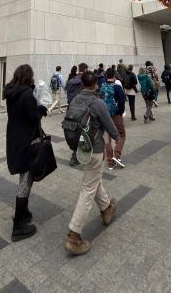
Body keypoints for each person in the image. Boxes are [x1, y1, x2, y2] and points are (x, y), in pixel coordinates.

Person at [65, 71, 119, 255]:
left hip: (81, 149)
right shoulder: (97, 103)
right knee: (88, 189)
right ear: (95, 84)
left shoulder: (75, 99)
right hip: (95, 150)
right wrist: (118, 138)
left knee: (93, 181)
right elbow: (111, 128)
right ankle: (74, 236)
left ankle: (106, 209)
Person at [5, 65, 48, 242]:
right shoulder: (26, 96)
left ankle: (24, 213)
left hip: (14, 138)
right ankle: (18, 225)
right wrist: (42, 109)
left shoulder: (11, 93)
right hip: (27, 141)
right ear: (28, 77)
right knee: (25, 179)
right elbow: (33, 117)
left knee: (26, 177)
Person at [101, 68, 127, 169]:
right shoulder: (117, 87)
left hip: (105, 115)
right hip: (116, 114)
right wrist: (120, 112)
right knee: (121, 134)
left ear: (106, 76)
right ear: (114, 76)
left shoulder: (102, 87)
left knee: (107, 139)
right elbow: (121, 102)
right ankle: (117, 155)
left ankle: (110, 163)